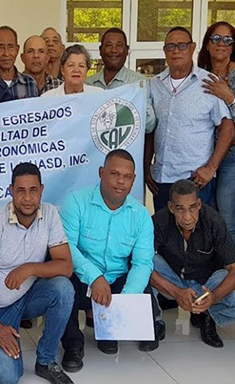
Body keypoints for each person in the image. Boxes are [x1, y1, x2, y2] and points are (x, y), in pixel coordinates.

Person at [0, 163, 75, 384]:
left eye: (33, 190)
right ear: (10, 191)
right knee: (9, 378)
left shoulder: (50, 213)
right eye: (21, 191)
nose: (28, 198)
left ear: (42, 190)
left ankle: (45, 360)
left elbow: (65, 266)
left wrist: (30, 268)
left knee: (63, 288)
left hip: (27, 298)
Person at [59, 150, 156, 372]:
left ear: (133, 180)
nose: (121, 181)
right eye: (114, 174)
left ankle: (110, 330)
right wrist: (94, 277)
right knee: (62, 283)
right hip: (83, 278)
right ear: (101, 173)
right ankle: (73, 344)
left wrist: (126, 302)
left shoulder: (140, 215)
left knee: (140, 281)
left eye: (128, 176)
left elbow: (143, 262)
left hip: (116, 281)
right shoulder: (76, 202)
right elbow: (66, 248)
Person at [151, 179, 235, 349]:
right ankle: (155, 321)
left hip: (208, 284)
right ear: (171, 207)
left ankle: (207, 312)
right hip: (175, 281)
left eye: (192, 208)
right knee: (143, 261)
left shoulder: (213, 221)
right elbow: (139, 264)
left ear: (199, 204)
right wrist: (175, 291)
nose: (187, 217)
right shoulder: (160, 220)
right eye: (180, 209)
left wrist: (214, 297)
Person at [147, 26, 234, 212]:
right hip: (162, 179)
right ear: (164, 51)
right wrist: (147, 167)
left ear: (193, 48)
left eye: (182, 45)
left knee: (199, 239)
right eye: (170, 46)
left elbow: (227, 127)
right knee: (164, 238)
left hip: (196, 180)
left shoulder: (208, 82)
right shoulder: (153, 85)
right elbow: (150, 130)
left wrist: (211, 167)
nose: (176, 51)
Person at [198, 22, 235, 258]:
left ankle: (232, 276)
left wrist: (230, 98)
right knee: (208, 216)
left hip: (234, 156)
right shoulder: (201, 73)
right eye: (215, 39)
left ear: (234, 46)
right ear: (206, 43)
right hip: (206, 155)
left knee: (229, 219)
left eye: (227, 40)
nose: (221, 44)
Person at [84, 28, 156, 132]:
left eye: (119, 45)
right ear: (100, 50)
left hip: (126, 147)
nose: (114, 50)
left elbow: (149, 123)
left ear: (127, 51)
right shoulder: (88, 84)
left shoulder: (139, 83)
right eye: (109, 45)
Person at [0, 26, 39, 99]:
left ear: (17, 49)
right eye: (0, 48)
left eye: (11, 47)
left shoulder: (30, 83)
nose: (6, 53)